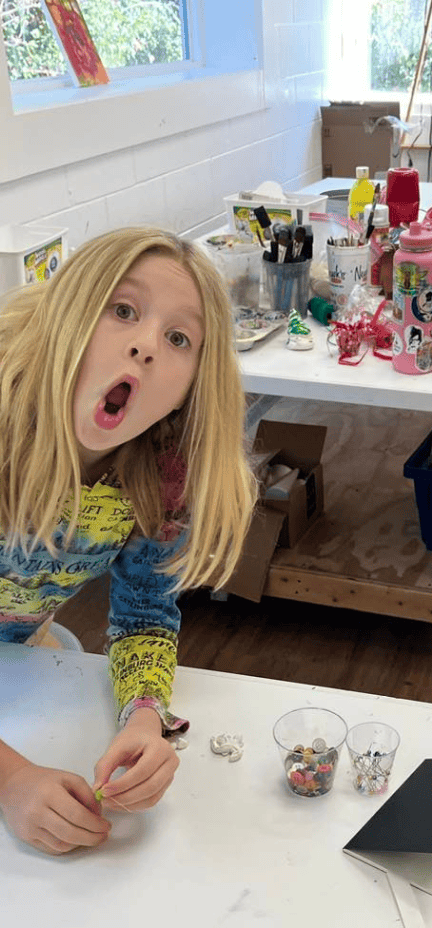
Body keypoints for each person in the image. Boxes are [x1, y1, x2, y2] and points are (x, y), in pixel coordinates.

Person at [0, 226, 258, 854]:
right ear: (70, 316)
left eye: (179, 338)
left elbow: (144, 614)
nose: (146, 346)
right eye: (123, 310)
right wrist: (11, 781)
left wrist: (144, 715)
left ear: (188, 389)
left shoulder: (163, 472)